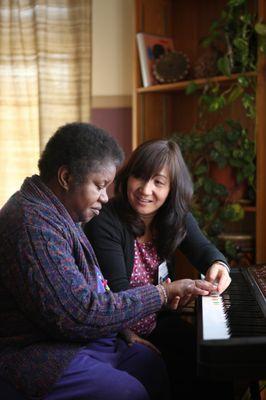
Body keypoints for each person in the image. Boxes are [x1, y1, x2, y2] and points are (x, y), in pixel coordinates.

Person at [0, 123, 217, 400]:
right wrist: (163, 293)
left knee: (148, 364)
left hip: (75, 341)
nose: (105, 197)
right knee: (128, 392)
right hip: (36, 352)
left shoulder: (60, 215)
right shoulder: (32, 225)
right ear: (66, 177)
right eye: (99, 186)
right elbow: (79, 313)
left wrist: (121, 330)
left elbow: (93, 291)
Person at [84, 138, 232, 399]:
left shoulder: (174, 217)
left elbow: (205, 251)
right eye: (139, 177)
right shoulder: (106, 220)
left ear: (171, 189)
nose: (145, 190)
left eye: (158, 182)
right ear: (127, 177)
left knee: (213, 362)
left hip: (156, 321)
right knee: (185, 368)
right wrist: (164, 295)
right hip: (118, 330)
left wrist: (218, 266)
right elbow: (116, 296)